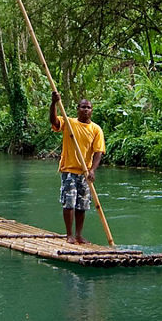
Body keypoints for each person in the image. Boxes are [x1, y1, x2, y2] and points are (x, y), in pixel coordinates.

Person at [50, 91, 105, 244]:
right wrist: (54, 103)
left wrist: (92, 170)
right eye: (83, 107)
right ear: (78, 109)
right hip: (69, 170)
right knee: (69, 203)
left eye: (88, 107)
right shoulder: (69, 123)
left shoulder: (96, 129)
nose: (86, 110)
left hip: (85, 172)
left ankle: (79, 235)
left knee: (82, 205)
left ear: (91, 110)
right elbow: (54, 121)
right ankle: (69, 235)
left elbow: (98, 152)